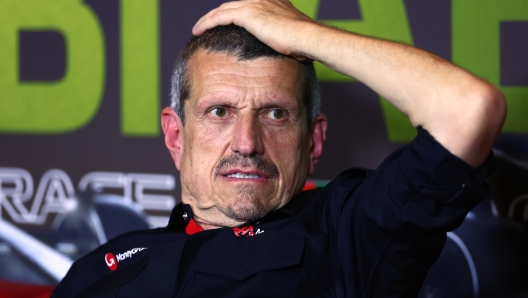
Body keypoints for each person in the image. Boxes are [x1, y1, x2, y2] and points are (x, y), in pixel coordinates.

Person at [52, 0, 506, 297]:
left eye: (275, 114)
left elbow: (469, 110)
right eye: (219, 113)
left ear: (313, 141)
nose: (247, 143)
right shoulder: (102, 268)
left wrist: (302, 34)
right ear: (176, 136)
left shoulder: (345, 233)